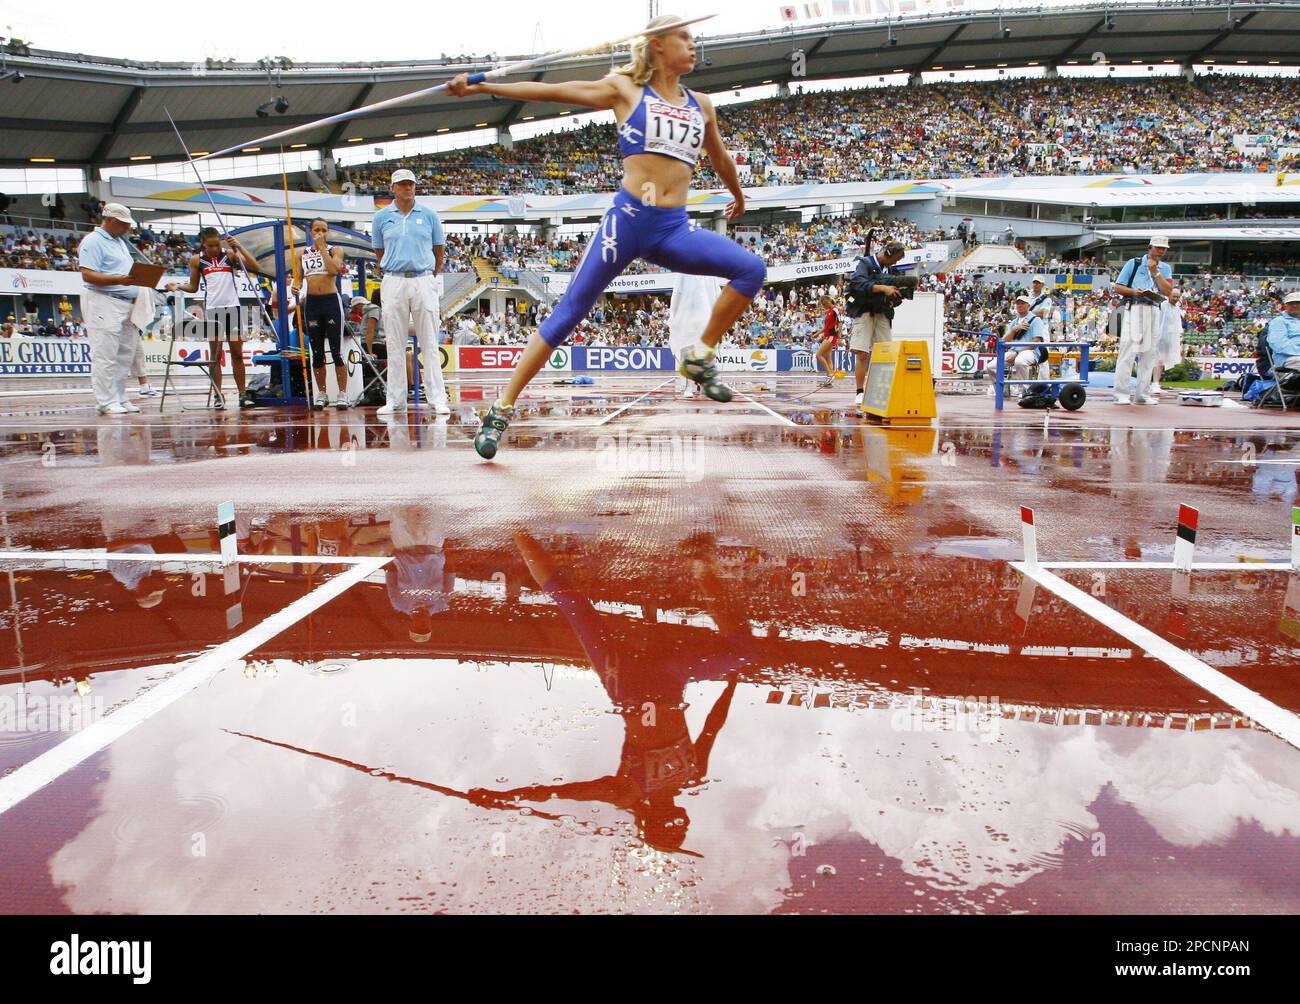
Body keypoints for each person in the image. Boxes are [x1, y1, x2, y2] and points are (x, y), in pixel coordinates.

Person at [445, 13, 766, 459]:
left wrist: (738, 194)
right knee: (569, 313)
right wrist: (482, 87)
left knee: (750, 269)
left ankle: (700, 354)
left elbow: (721, 155)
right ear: (657, 45)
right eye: (684, 37)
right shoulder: (625, 88)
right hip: (628, 223)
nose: (694, 45)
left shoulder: (702, 105)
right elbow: (553, 91)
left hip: (674, 229)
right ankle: (501, 409)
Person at [370, 169, 451, 418]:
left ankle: (437, 398)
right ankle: (395, 399)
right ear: (393, 188)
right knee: (394, 341)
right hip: (394, 279)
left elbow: (439, 251)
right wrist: (396, 267)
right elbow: (379, 252)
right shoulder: (381, 217)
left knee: (430, 341)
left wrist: (431, 274)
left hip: (423, 278)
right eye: (402, 185)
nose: (408, 188)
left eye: (411, 184)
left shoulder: (429, 215)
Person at [167, 227, 260, 409]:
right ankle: (218, 395)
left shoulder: (230, 256)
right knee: (215, 357)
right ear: (203, 244)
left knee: (237, 355)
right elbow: (193, 287)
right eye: (211, 246)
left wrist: (238, 246)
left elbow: (255, 267)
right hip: (212, 311)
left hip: (232, 309)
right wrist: (177, 286)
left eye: (217, 244)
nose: (215, 248)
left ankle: (242, 394)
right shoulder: (197, 260)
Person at [77, 202, 146, 415]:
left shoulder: (120, 242)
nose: (128, 228)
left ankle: (120, 396)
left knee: (125, 353)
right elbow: (87, 274)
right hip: (103, 300)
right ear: (111, 220)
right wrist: (120, 280)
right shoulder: (93, 241)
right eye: (124, 224)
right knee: (105, 353)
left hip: (127, 304)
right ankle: (106, 400)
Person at [1111, 235, 1174, 406]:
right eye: (1158, 247)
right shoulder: (1135, 263)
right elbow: (1118, 286)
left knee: (1149, 354)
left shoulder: (1165, 268)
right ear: (1150, 247)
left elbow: (1168, 291)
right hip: (1135, 306)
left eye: (1163, 248)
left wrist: (1156, 272)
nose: (1160, 251)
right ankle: (1121, 393)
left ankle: (1142, 394)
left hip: (1154, 308)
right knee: (1128, 352)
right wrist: (1134, 292)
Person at [845, 237, 907, 407]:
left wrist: (895, 294)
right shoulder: (865, 263)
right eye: (895, 259)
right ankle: (859, 392)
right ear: (888, 253)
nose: (895, 262)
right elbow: (858, 282)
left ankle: (883, 390)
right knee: (862, 353)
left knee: (887, 353)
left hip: (882, 312)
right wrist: (882, 288)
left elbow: (889, 286)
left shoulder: (888, 268)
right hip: (864, 311)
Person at [297, 218, 349, 409]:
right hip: (312, 303)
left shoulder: (335, 250)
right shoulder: (301, 254)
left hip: (330, 302)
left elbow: (334, 270)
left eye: (324, 230)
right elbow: (297, 280)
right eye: (317, 230)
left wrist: (321, 248)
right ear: (310, 232)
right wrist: (296, 289)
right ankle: (322, 392)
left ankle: (342, 394)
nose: (320, 233)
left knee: (336, 350)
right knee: (317, 352)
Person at [1152, 286, 1185, 395]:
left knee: (1162, 362)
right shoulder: (1162, 306)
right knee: (1157, 361)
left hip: (1168, 340)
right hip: (1158, 339)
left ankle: (1156, 383)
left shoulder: (1176, 308)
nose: (1175, 298)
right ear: (1168, 295)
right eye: (1173, 296)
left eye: (1177, 297)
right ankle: (1154, 383)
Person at [1266, 290, 1300, 374]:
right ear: (1285, 306)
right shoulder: (1279, 321)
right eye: (1291, 303)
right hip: (1287, 360)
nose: (1295, 305)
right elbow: (1279, 345)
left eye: (1297, 303)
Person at [814, 294, 840, 387]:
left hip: (831, 336)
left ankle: (830, 374)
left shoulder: (835, 310)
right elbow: (826, 327)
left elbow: (840, 323)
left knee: (818, 355)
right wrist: (817, 333)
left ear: (828, 302)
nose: (824, 307)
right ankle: (830, 380)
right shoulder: (828, 312)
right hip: (827, 335)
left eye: (824, 305)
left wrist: (839, 338)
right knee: (828, 358)